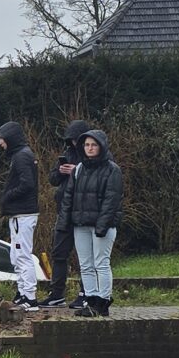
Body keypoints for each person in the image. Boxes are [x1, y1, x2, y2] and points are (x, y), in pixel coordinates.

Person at [61, 127, 124, 317]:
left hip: (101, 225)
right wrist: (64, 223)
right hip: (81, 224)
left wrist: (102, 226)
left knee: (101, 263)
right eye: (86, 145)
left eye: (93, 145)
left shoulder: (112, 170)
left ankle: (103, 301)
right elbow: (69, 197)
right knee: (86, 265)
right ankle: (90, 299)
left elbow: (111, 200)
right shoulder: (79, 169)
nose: (89, 148)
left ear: (101, 147)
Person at [37, 119, 93, 306]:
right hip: (64, 210)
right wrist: (61, 171)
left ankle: (87, 292)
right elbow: (52, 179)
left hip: (82, 210)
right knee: (59, 252)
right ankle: (57, 292)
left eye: (77, 140)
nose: (74, 144)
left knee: (85, 255)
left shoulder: (91, 155)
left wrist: (77, 171)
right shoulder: (67, 154)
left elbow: (96, 178)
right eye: (72, 140)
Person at [0, 120, 43, 309]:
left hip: (23, 214)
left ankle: (30, 297)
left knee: (22, 255)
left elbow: (27, 184)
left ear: (10, 138)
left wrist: (7, 197)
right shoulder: (21, 155)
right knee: (17, 255)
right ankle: (22, 293)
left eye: (1, 139)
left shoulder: (22, 157)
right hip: (20, 214)